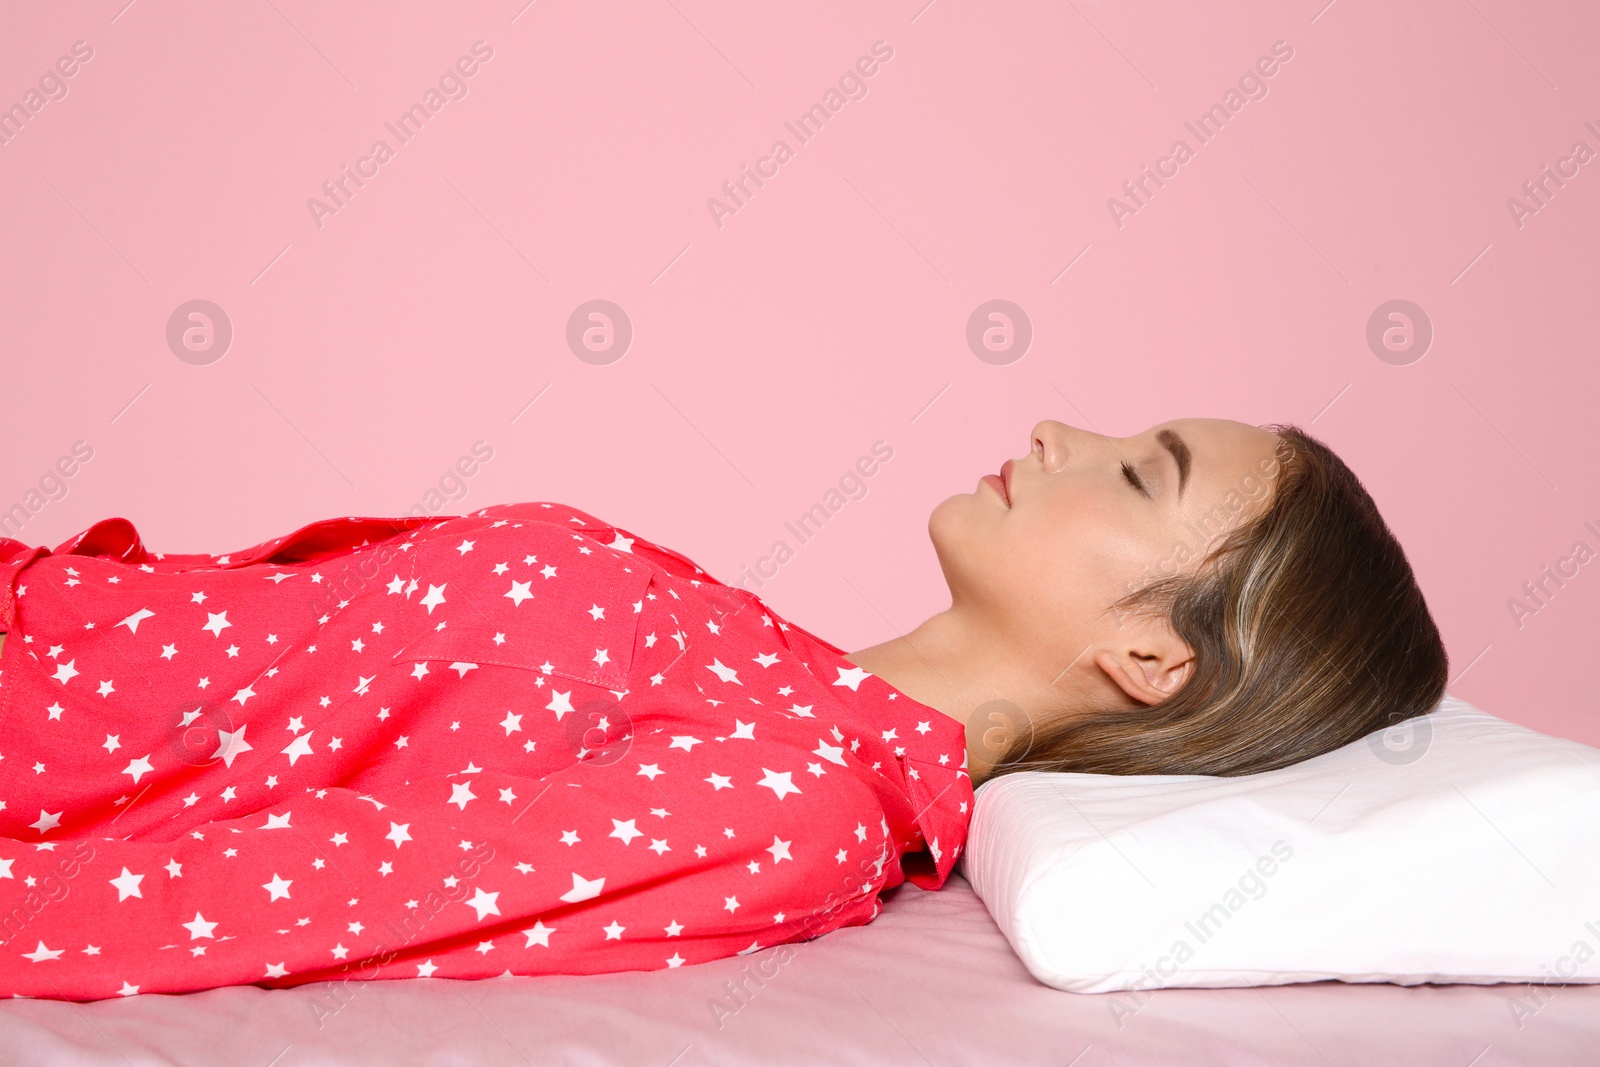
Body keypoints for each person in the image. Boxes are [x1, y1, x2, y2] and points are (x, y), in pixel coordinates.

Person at [0, 418, 1447, 1001]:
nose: (1066, 433)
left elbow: (302, 892)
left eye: (1137, 475)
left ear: (1153, 660)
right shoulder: (777, 664)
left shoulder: (795, 804)